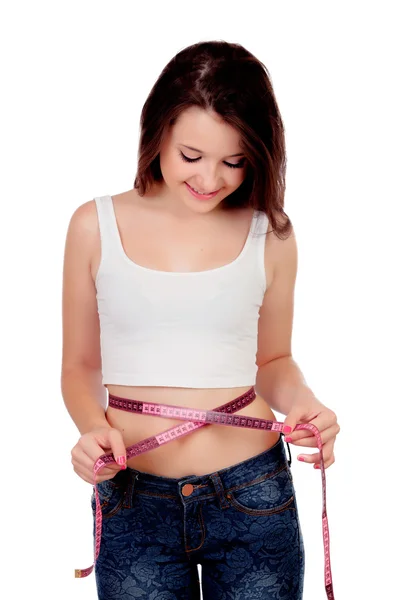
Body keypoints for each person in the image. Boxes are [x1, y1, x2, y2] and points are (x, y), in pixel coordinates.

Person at [61, 40, 340, 600]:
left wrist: (304, 399)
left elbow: (273, 362)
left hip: (253, 494)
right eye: (192, 155)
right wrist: (92, 429)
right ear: (157, 130)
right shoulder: (94, 225)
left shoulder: (272, 232)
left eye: (235, 161)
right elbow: (80, 365)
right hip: (132, 500)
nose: (211, 179)